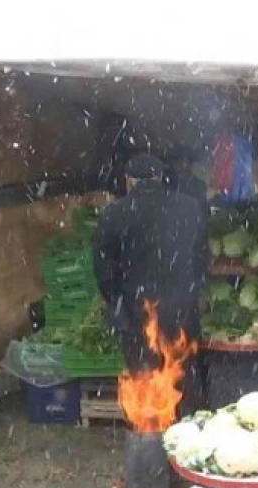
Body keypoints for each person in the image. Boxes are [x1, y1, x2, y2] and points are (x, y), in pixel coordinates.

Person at [94, 153, 209, 415]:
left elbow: (103, 269)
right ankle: (188, 435)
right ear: (159, 177)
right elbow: (202, 257)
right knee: (184, 373)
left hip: (137, 313)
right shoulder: (190, 208)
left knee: (144, 380)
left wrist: (117, 301)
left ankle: (151, 439)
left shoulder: (113, 214)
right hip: (182, 309)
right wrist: (194, 291)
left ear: (129, 180)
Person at [165, 147, 209, 215]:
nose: (180, 166)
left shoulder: (199, 186)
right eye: (176, 163)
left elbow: (202, 212)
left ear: (190, 165)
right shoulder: (167, 182)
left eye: (182, 162)